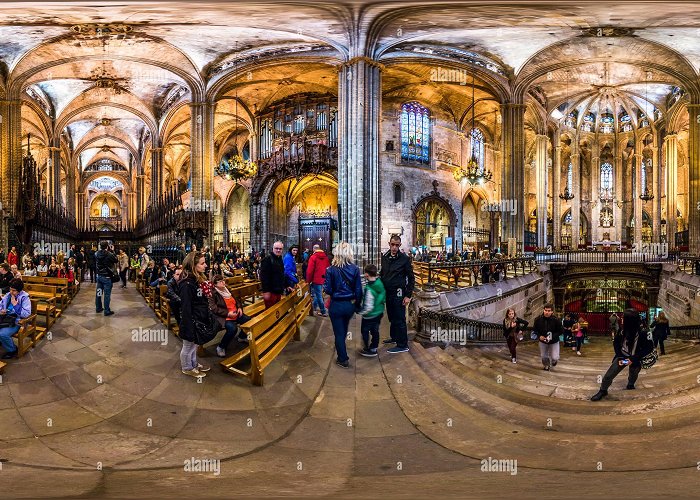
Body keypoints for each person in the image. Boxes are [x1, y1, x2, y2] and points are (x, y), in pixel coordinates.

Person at [591, 308, 655, 401]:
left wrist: (633, 359)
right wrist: (620, 356)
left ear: (630, 321)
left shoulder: (644, 332)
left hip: (636, 358)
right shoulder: (622, 330)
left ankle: (630, 384)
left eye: (623, 317)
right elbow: (616, 343)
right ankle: (603, 390)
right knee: (609, 375)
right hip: (623, 357)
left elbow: (649, 348)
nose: (621, 319)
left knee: (633, 373)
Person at [324, 242, 363, 368]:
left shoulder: (330, 270)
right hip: (349, 305)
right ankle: (342, 352)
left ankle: (343, 359)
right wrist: (357, 305)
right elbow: (358, 291)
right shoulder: (355, 269)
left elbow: (328, 290)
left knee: (339, 333)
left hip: (336, 305)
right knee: (344, 329)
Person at [178, 251, 212, 378]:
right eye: (202, 263)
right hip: (190, 320)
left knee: (194, 345)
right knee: (187, 346)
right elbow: (186, 307)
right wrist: (189, 324)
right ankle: (187, 367)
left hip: (198, 318)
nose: (206, 265)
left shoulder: (195, 279)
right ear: (193, 265)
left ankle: (193, 364)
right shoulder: (186, 284)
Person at [379, 235, 415, 354]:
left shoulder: (404, 259)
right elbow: (383, 273)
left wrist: (408, 295)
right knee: (391, 317)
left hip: (399, 293)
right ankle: (394, 337)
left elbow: (411, 278)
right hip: (388, 293)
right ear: (389, 244)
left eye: (397, 245)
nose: (394, 247)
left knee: (399, 318)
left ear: (400, 245)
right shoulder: (385, 257)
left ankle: (403, 344)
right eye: (392, 244)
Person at [209, 275, 251, 357]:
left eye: (223, 280)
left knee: (248, 320)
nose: (223, 282)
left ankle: (242, 337)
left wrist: (239, 308)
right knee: (233, 328)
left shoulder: (227, 290)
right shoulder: (213, 293)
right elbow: (214, 308)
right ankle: (221, 347)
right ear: (215, 284)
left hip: (235, 313)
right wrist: (228, 313)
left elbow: (237, 300)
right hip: (224, 317)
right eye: (220, 281)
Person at [357, 264, 386, 357]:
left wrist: (360, 311)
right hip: (379, 312)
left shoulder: (369, 289)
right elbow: (383, 296)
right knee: (375, 331)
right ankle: (374, 347)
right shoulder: (379, 283)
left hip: (369, 315)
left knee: (364, 331)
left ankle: (368, 348)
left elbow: (368, 307)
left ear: (366, 275)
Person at [0, 279, 32, 359]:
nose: (11, 292)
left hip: (17, 321)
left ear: (19, 290)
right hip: (5, 318)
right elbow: (1, 305)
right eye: (10, 289)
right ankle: (3, 342)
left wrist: (15, 304)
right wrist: (1, 311)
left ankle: (12, 350)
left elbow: (26, 314)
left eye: (13, 290)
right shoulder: (8, 295)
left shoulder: (25, 298)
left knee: (3, 334)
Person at [259, 241, 293, 308]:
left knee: (277, 310)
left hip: (278, 290)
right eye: (276, 248)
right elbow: (264, 277)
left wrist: (287, 285)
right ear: (273, 249)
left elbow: (281, 274)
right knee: (270, 312)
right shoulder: (267, 260)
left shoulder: (280, 259)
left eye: (280, 249)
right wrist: (266, 291)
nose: (278, 250)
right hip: (271, 291)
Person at [532, 303, 563, 371]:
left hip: (554, 341)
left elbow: (560, 331)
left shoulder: (556, 320)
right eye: (546, 310)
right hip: (542, 341)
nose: (547, 312)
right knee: (543, 356)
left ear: (552, 311)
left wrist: (552, 336)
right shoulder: (538, 319)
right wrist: (539, 336)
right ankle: (546, 365)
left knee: (555, 357)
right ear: (543, 310)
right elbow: (535, 330)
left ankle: (554, 361)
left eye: (549, 311)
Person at [306, 244, 330, 317]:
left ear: (314, 249)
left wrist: (308, 280)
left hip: (316, 279)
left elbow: (310, 271)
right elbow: (328, 268)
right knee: (318, 294)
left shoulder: (313, 257)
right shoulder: (325, 257)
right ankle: (313, 307)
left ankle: (323, 311)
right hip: (323, 278)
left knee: (319, 295)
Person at [95, 241, 118, 316]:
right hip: (107, 277)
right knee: (107, 295)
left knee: (99, 293)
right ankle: (106, 310)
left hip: (99, 277)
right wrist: (113, 251)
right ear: (107, 246)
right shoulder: (109, 254)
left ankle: (98, 308)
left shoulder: (97, 253)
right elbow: (116, 260)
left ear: (100, 246)